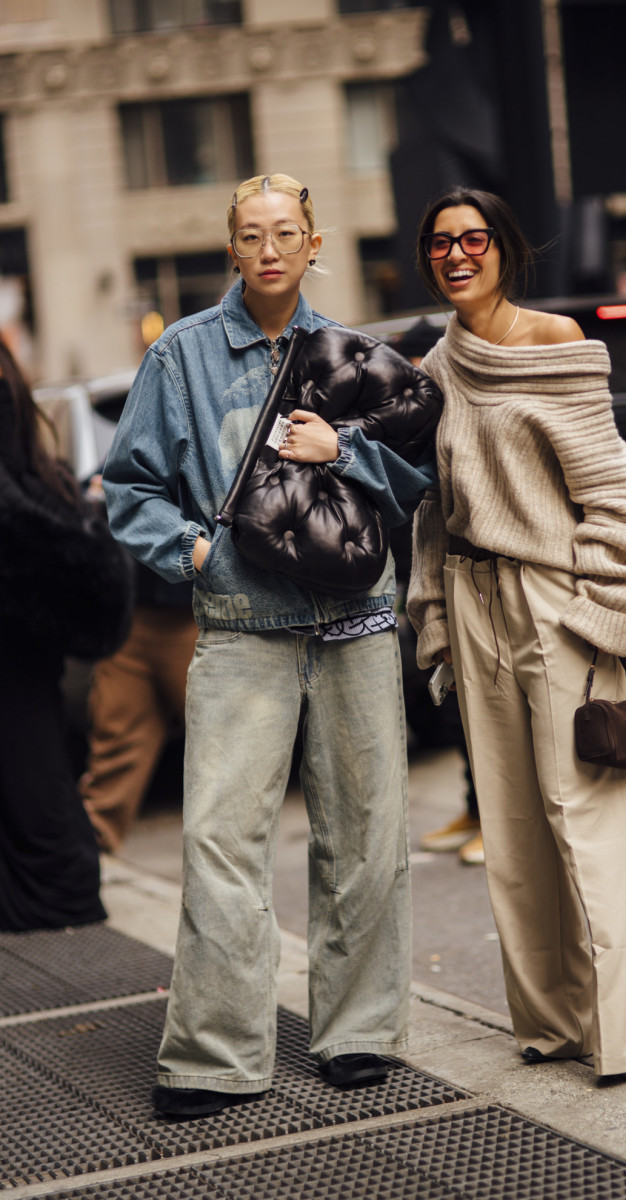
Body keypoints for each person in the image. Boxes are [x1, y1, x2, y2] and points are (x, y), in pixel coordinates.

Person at [102, 173, 439, 1119]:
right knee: (219, 839)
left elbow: (413, 475)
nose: (270, 250)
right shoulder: (182, 357)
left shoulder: (353, 356)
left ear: (313, 241)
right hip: (244, 624)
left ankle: (360, 1032)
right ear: (232, 248)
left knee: (365, 835)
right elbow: (128, 487)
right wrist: (195, 551)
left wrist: (348, 452)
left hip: (354, 620)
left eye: (285, 232)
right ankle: (215, 1054)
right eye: (251, 235)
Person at [407, 187, 626, 1085]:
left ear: (505, 250)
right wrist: (439, 624)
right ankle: (550, 1025)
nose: (456, 255)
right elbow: (432, 516)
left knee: (587, 820)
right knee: (517, 832)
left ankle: (625, 1039)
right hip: (473, 599)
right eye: (440, 243)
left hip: (552, 604)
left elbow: (621, 501)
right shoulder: (434, 367)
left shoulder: (553, 347)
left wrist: (602, 616)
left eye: (473, 239)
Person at [0, 339, 131, 931]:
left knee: (53, 854)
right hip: (25, 696)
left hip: (25, 691)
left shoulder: (34, 487)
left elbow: (88, 602)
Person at [391, 319, 483, 866]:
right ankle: (476, 808)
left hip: (467, 571)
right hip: (423, 576)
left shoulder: (458, 406)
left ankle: (497, 819)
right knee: (452, 701)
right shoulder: (407, 414)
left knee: (478, 703)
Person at [80, 542, 198, 855]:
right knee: (109, 773)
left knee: (230, 766)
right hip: (130, 609)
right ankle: (80, 880)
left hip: (201, 611)